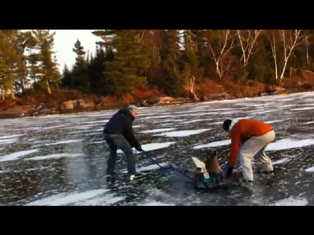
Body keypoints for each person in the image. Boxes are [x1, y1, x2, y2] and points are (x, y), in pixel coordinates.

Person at [222, 118, 275, 184]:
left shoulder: (235, 129)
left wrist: (230, 167)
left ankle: (248, 179)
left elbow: (235, 149)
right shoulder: (240, 123)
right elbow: (244, 140)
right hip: (270, 132)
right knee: (259, 152)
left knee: (244, 154)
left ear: (228, 128)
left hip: (261, 135)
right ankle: (268, 169)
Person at [103, 104, 143, 181]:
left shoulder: (119, 114)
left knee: (113, 152)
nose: (135, 114)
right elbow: (128, 132)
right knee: (129, 153)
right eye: (135, 112)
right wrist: (136, 144)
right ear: (132, 111)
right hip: (115, 135)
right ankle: (132, 174)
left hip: (106, 134)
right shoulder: (128, 116)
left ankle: (109, 173)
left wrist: (131, 143)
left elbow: (123, 131)